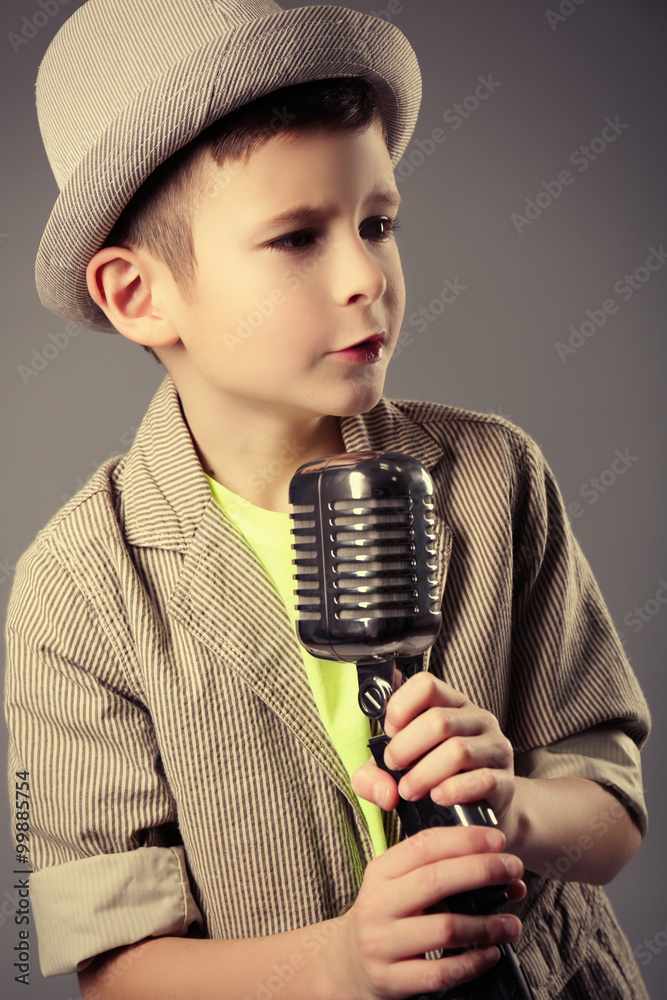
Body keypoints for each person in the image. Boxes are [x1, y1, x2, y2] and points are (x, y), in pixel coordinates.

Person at [4, 1, 651, 998]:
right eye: (297, 239)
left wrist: (513, 804)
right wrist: (339, 962)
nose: (366, 278)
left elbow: (607, 813)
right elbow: (118, 969)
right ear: (140, 295)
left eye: (378, 224)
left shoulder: (494, 475)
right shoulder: (78, 592)